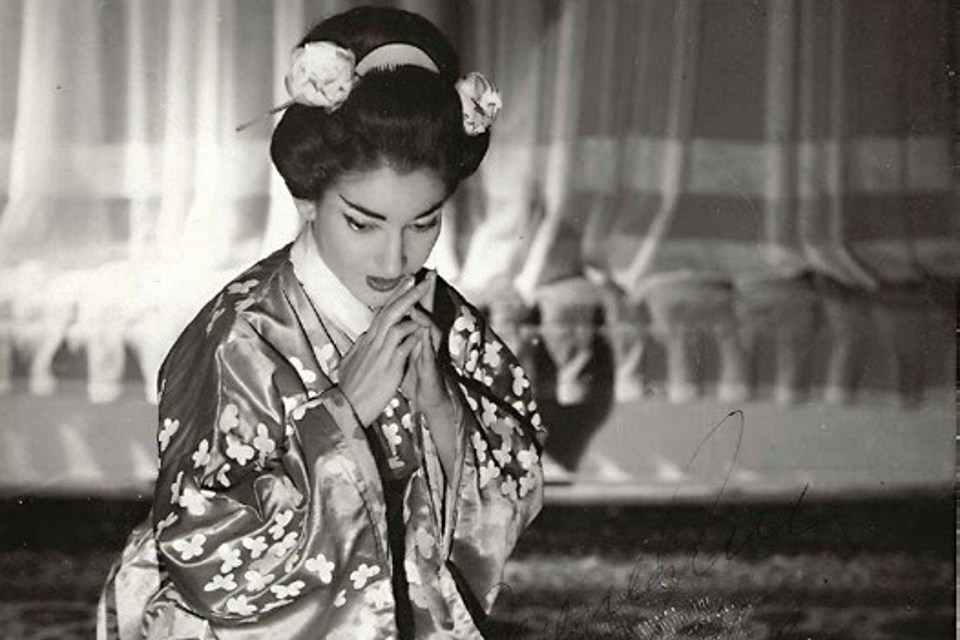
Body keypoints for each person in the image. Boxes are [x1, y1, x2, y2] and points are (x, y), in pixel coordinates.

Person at [97, 6, 545, 639]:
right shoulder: (240, 335)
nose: (394, 259)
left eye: (423, 223)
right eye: (362, 223)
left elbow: (516, 477)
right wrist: (340, 418)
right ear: (308, 199)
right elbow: (203, 547)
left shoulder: (441, 315)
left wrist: (441, 406)